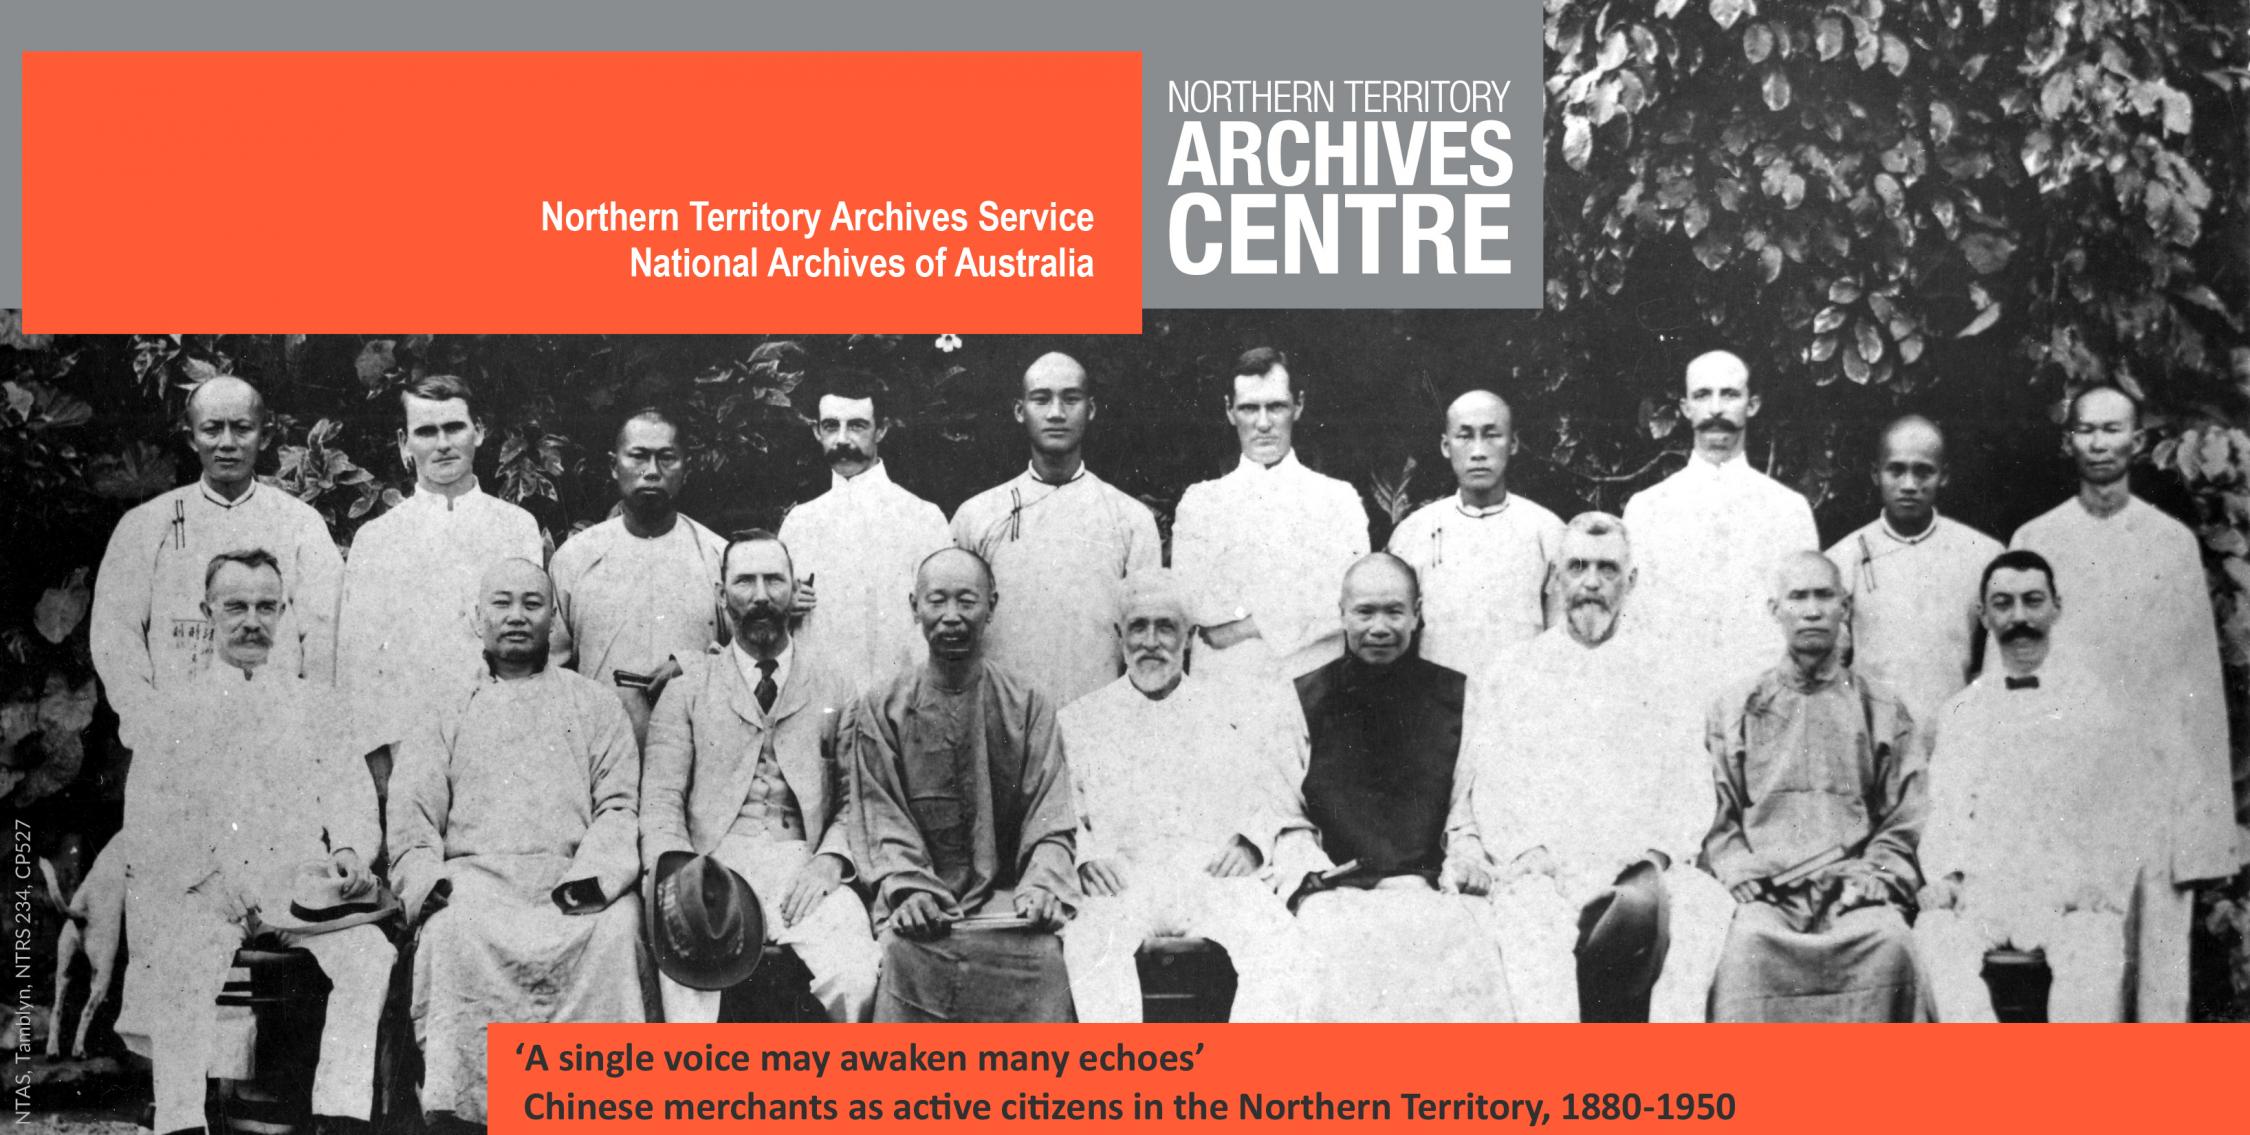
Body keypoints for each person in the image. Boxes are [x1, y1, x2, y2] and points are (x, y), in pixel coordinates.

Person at [115, 550, 391, 1135]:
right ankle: (182, 1122)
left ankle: (339, 1117)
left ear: (284, 612)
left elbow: (349, 799)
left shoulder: (317, 705)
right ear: (207, 611)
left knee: (370, 955)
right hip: (208, 891)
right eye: (236, 605)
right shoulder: (171, 711)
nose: (251, 621)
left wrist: (347, 854)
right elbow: (148, 822)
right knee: (182, 959)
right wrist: (207, 881)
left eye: (267, 606)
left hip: (300, 893)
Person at [2008, 385, 2242, 1020]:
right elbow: (2009, 676)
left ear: (2137, 443)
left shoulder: (2169, 543)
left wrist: (2201, 829)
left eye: (2114, 431)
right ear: (2069, 441)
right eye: (2087, 430)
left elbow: (2197, 687)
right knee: (2083, 974)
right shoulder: (2037, 537)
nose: (2100, 443)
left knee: (2158, 980)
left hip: (2155, 790)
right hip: (2068, 789)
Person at [388, 558, 645, 1125]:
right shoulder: (444, 706)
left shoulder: (594, 704)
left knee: (619, 931)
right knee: (451, 933)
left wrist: (593, 878)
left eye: (532, 603)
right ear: (477, 617)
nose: (516, 617)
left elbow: (620, 806)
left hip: (569, 886)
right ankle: (466, 1114)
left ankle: (598, 1110)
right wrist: (427, 884)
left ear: (553, 618)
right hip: (477, 887)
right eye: (501, 603)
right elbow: (413, 817)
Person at [1469, 513, 1732, 1022]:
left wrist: (1655, 858)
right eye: (1578, 566)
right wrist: (1531, 852)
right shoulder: (1514, 672)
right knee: (1530, 925)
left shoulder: (1667, 672)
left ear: (1631, 581)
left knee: (1703, 908)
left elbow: (1690, 787)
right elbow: (1495, 785)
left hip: (1641, 867)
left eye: (1608, 569)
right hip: (1545, 870)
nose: (1591, 582)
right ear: (1555, 577)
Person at [1917, 550, 2194, 1021]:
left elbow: (2121, 806)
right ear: (1984, 615)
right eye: (2003, 604)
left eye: (2032, 600)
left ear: (2056, 607)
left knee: (2092, 948)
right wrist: (1945, 877)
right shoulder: (1962, 711)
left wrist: (2099, 882)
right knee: (1932, 935)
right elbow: (1946, 805)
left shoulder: (2096, 706)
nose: (2019, 617)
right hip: (1986, 890)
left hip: (2067, 891)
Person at [640, 531, 879, 1023]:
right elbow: (661, 804)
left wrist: (831, 861)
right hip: (712, 866)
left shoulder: (835, 683)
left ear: (795, 589)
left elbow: (858, 797)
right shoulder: (687, 689)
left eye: (775, 579)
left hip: (805, 865)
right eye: (745, 581)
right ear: (721, 591)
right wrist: (683, 876)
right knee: (686, 983)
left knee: (855, 976)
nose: (762, 595)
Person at [1057, 569, 1304, 1022]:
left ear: (1189, 637)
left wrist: (1251, 841)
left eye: (1166, 627)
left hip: (1211, 877)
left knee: (1282, 945)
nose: (1151, 641)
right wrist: (1088, 856)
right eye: (1138, 627)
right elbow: (1062, 811)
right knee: (1090, 946)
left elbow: (1272, 795)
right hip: (1123, 881)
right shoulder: (1080, 721)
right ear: (1119, 635)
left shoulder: (1232, 713)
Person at [845, 547, 1079, 1022]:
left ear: (992, 605)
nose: (951, 617)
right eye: (937, 601)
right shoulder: (881, 707)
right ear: (915, 606)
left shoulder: (1028, 703)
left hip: (1009, 902)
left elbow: (1050, 817)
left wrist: (1042, 885)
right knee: (901, 955)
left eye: (967, 601)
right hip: (919, 905)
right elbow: (879, 811)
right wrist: (908, 891)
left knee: (1046, 957)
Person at [1274, 554, 1511, 1021]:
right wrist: (1313, 881)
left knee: (1472, 941)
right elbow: (1286, 815)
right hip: (1336, 895)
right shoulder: (1302, 699)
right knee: (1325, 951)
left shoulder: (1458, 697)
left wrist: (1466, 860)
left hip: (1429, 890)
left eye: (1394, 611)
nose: (1379, 627)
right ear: (1341, 613)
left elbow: (1467, 810)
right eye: (1364, 612)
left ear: (1417, 612)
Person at [1703, 551, 1927, 1021]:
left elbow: (1904, 816)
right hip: (1770, 898)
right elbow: (1718, 813)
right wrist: (1737, 866)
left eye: (1824, 596)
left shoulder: (1882, 708)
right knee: (1744, 950)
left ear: (1845, 606)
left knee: (1892, 945)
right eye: (1797, 597)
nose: (1811, 610)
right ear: (1774, 610)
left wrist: (1877, 874)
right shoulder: (1736, 707)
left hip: (1854, 894)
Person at [92, 375, 343, 756]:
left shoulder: (300, 524)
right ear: (192, 437)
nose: (227, 443)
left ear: (265, 435)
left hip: (277, 740)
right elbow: (116, 633)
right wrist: (146, 719)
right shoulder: (146, 525)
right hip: (176, 740)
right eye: (212, 429)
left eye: (242, 428)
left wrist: (308, 724)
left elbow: (326, 634)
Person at [337, 374, 543, 760]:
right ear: (405, 443)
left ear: (478, 431)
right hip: (409, 751)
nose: (444, 444)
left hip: (502, 747)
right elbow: (358, 670)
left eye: (454, 428)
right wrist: (383, 767)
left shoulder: (517, 528)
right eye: (427, 431)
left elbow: (532, 646)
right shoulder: (376, 540)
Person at [951, 352, 1161, 706]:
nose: (1056, 413)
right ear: (1020, 410)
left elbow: (1147, 637)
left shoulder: (1130, 519)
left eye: (1070, 398)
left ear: (1090, 409)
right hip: (1003, 722)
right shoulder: (977, 516)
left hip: (1100, 722)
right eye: (1042, 398)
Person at [1622, 350, 1820, 694]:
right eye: (1702, 395)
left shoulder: (1789, 510)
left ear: (1752, 404)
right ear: (1685, 408)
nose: (1715, 409)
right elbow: (1632, 623)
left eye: (1729, 394)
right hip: (1672, 705)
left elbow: (1806, 620)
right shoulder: (1646, 510)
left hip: (1765, 707)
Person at [1171, 347, 1370, 684]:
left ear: (1298, 405)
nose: (1263, 423)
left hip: (1311, 690)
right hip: (1224, 691)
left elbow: (1347, 606)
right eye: (1249, 408)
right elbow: (1195, 604)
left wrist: (1246, 625)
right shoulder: (1200, 503)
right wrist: (1295, 604)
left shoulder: (1337, 499)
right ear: (1230, 411)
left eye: (1275, 406)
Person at [548, 410, 727, 744]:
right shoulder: (574, 559)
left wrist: (695, 666)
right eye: (639, 457)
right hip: (600, 756)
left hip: (697, 753)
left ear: (685, 469)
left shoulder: (716, 556)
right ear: (615, 466)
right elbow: (550, 673)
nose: (652, 472)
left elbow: (747, 662)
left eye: (667, 458)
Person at [776, 367, 952, 691]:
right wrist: (782, 606)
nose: (842, 440)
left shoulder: (922, 519)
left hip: (900, 712)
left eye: (856, 426)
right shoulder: (799, 524)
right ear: (816, 431)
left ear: (881, 430)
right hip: (815, 711)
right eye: (831, 426)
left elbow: (942, 623)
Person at [1824, 416, 2003, 721]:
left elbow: (1999, 661)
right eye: (1896, 470)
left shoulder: (1983, 555)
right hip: (1873, 739)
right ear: (1875, 474)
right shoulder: (1843, 558)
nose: (1909, 485)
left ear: (1943, 476)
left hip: (1956, 734)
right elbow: (1830, 665)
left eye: (1923, 472)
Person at [1386, 390, 1564, 675]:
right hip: (1438, 708)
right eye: (1465, 436)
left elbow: (1562, 642)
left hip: (1520, 702)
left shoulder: (1548, 531)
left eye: (1492, 435)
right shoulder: (1413, 533)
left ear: (1514, 443)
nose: (1479, 452)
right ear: (1446, 446)